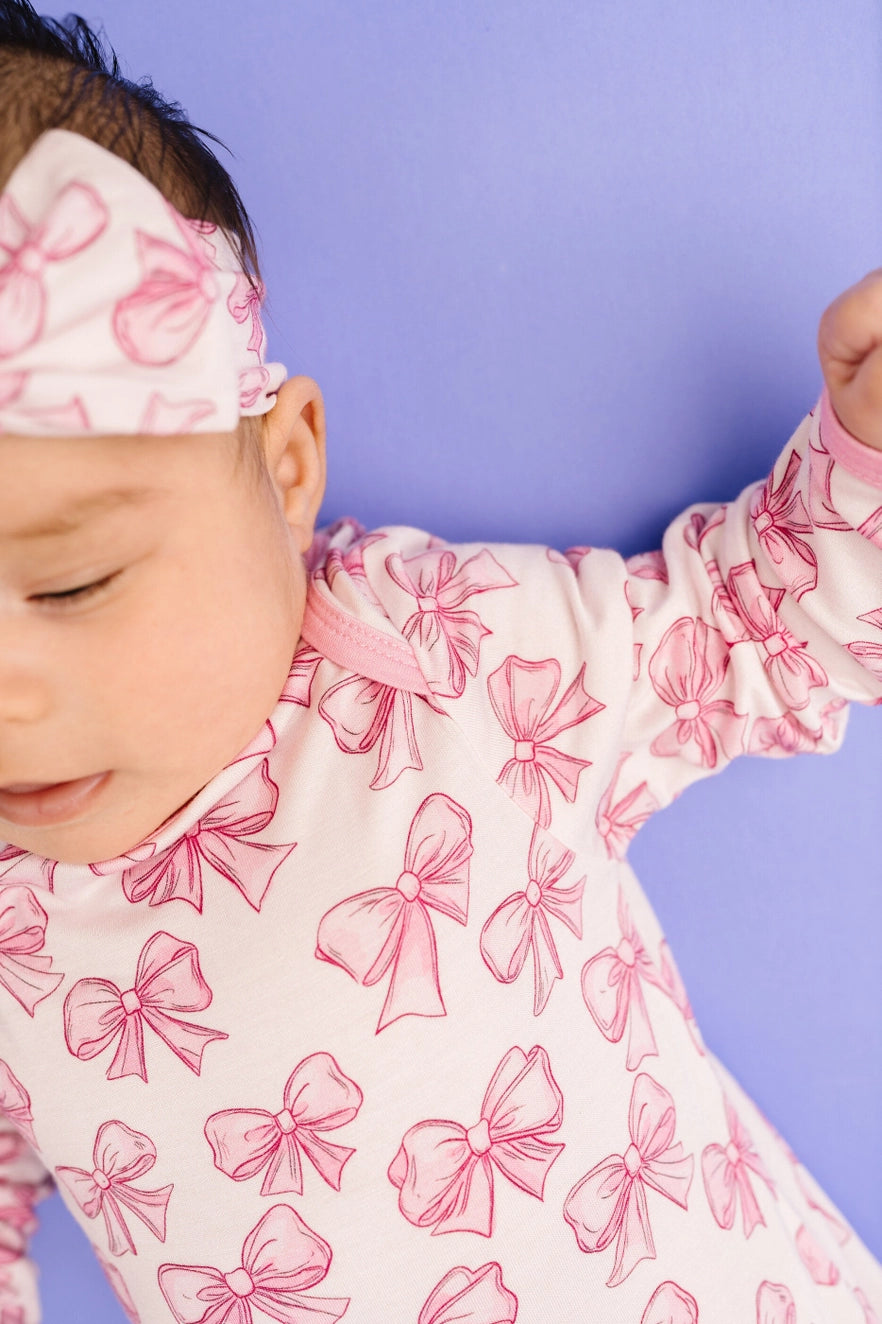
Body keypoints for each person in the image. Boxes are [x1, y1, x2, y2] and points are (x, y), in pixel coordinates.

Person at [0, 4, 879, 1322]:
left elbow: (753, 630)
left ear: (285, 469)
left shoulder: (436, 666)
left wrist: (860, 463)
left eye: (73, 583)